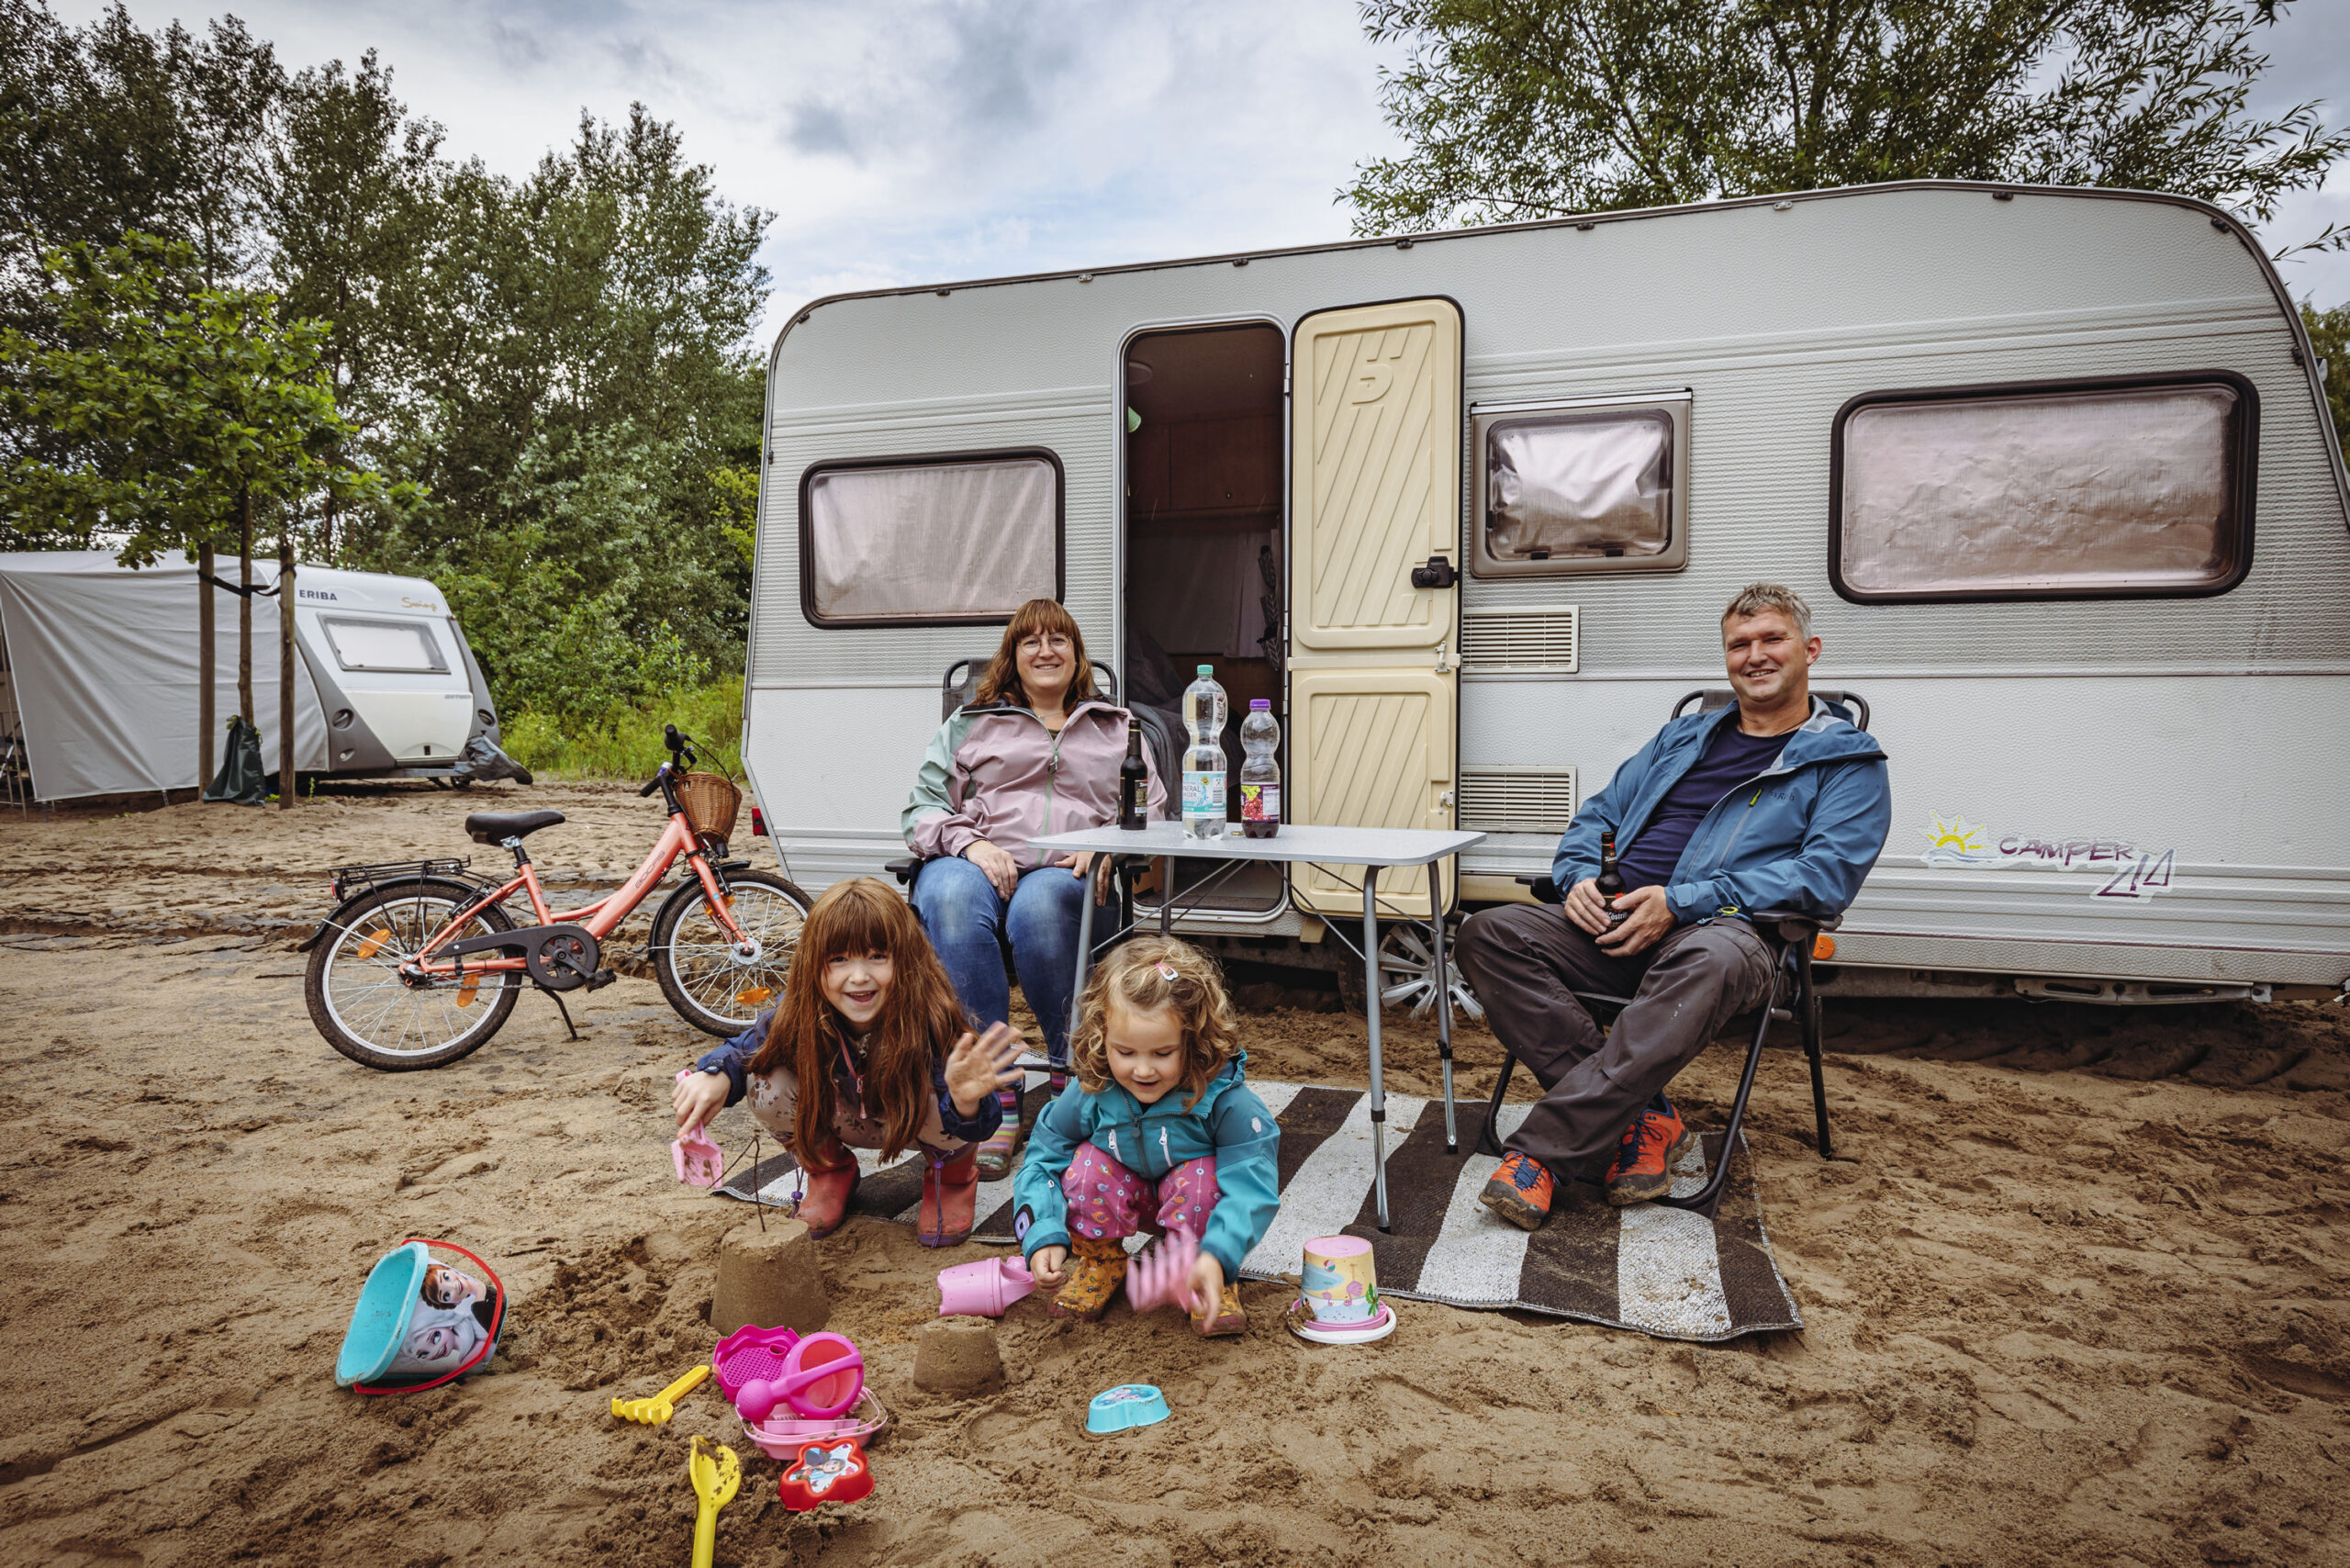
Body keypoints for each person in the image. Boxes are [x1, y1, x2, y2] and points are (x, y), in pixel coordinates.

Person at [1454, 584, 1891, 1226]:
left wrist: (1684, 902)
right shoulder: (1681, 739)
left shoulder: (1847, 763)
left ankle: (1542, 1156)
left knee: (1707, 959)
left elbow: (1824, 877)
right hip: (1615, 921)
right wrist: (1576, 875)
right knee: (1487, 933)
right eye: (1739, 644)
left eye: (1773, 639)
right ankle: (1646, 1119)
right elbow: (1599, 813)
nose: (1756, 655)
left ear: (1810, 650)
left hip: (1728, 936)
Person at [903, 598, 1167, 1182]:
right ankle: (992, 1086)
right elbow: (921, 809)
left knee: (1039, 907)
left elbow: (1151, 809)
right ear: (1013, 657)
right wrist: (971, 846)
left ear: (1078, 658)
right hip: (975, 857)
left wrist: (1106, 844)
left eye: (1059, 640)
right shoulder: (970, 725)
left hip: (1069, 870)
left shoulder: (1116, 728)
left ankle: (1071, 1072)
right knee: (948, 894)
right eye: (1031, 641)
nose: (1045, 651)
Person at [672, 877, 1024, 1247]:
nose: (859, 977)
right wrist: (715, 1075)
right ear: (813, 964)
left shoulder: (932, 1015)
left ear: (905, 959)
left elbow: (981, 1125)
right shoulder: (799, 1011)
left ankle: (950, 1181)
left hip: (918, 1125)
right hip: (844, 1119)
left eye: (877, 956)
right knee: (763, 1082)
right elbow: (745, 1048)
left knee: (952, 1100)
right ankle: (829, 1171)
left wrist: (967, 1102)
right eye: (838, 959)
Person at [1012, 936, 1280, 1337]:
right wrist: (1042, 1233)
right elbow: (1044, 1155)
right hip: (1121, 1198)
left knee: (1206, 1178)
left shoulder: (1225, 1100)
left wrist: (1219, 1254)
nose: (1142, 1071)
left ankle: (1208, 1274)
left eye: (1162, 1053)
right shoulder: (1094, 1090)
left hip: (1194, 1212)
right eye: (1126, 1052)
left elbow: (1252, 1187)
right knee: (1086, 1165)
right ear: (1103, 1037)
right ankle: (1100, 1263)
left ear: (1194, 1038)